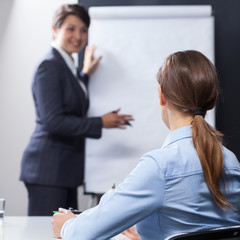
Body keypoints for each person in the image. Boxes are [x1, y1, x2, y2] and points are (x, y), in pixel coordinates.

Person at [51, 50, 240, 240]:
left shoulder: (159, 168)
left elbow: (83, 234)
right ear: (213, 99)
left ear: (162, 95)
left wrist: (67, 225)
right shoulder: (231, 162)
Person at [19, 4, 133, 216]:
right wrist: (100, 122)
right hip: (48, 170)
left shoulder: (67, 65)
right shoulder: (49, 65)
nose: (78, 36)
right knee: (45, 234)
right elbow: (53, 121)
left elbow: (68, 95)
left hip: (63, 171)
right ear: (55, 29)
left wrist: (85, 75)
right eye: (71, 29)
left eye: (83, 30)